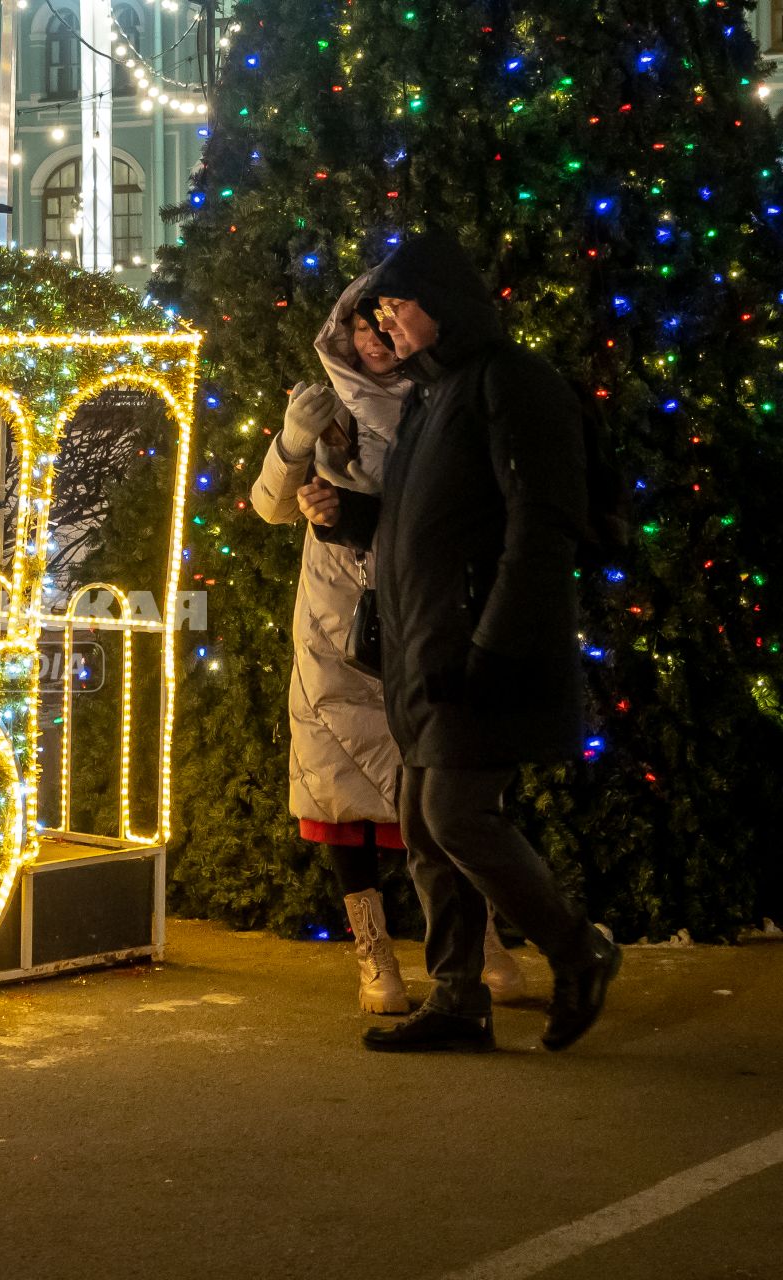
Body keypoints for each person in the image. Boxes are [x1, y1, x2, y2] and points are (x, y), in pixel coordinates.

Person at [296, 231, 621, 1054]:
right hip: (425, 653)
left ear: (439, 304)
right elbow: (426, 528)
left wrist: (495, 650)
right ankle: (456, 996)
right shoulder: (435, 399)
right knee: (422, 820)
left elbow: (541, 525)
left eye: (396, 308)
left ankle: (576, 947)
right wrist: (353, 518)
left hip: (479, 652)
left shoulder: (511, 384)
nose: (387, 326)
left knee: (453, 815)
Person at [255, 278, 524, 1015]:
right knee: (339, 787)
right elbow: (270, 505)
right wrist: (292, 446)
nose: (373, 338)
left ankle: (477, 942)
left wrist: (359, 508)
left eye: (384, 322)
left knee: (439, 783)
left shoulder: (439, 396)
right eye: (360, 324)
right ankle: (376, 958)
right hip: (337, 614)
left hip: (421, 599)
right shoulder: (326, 401)